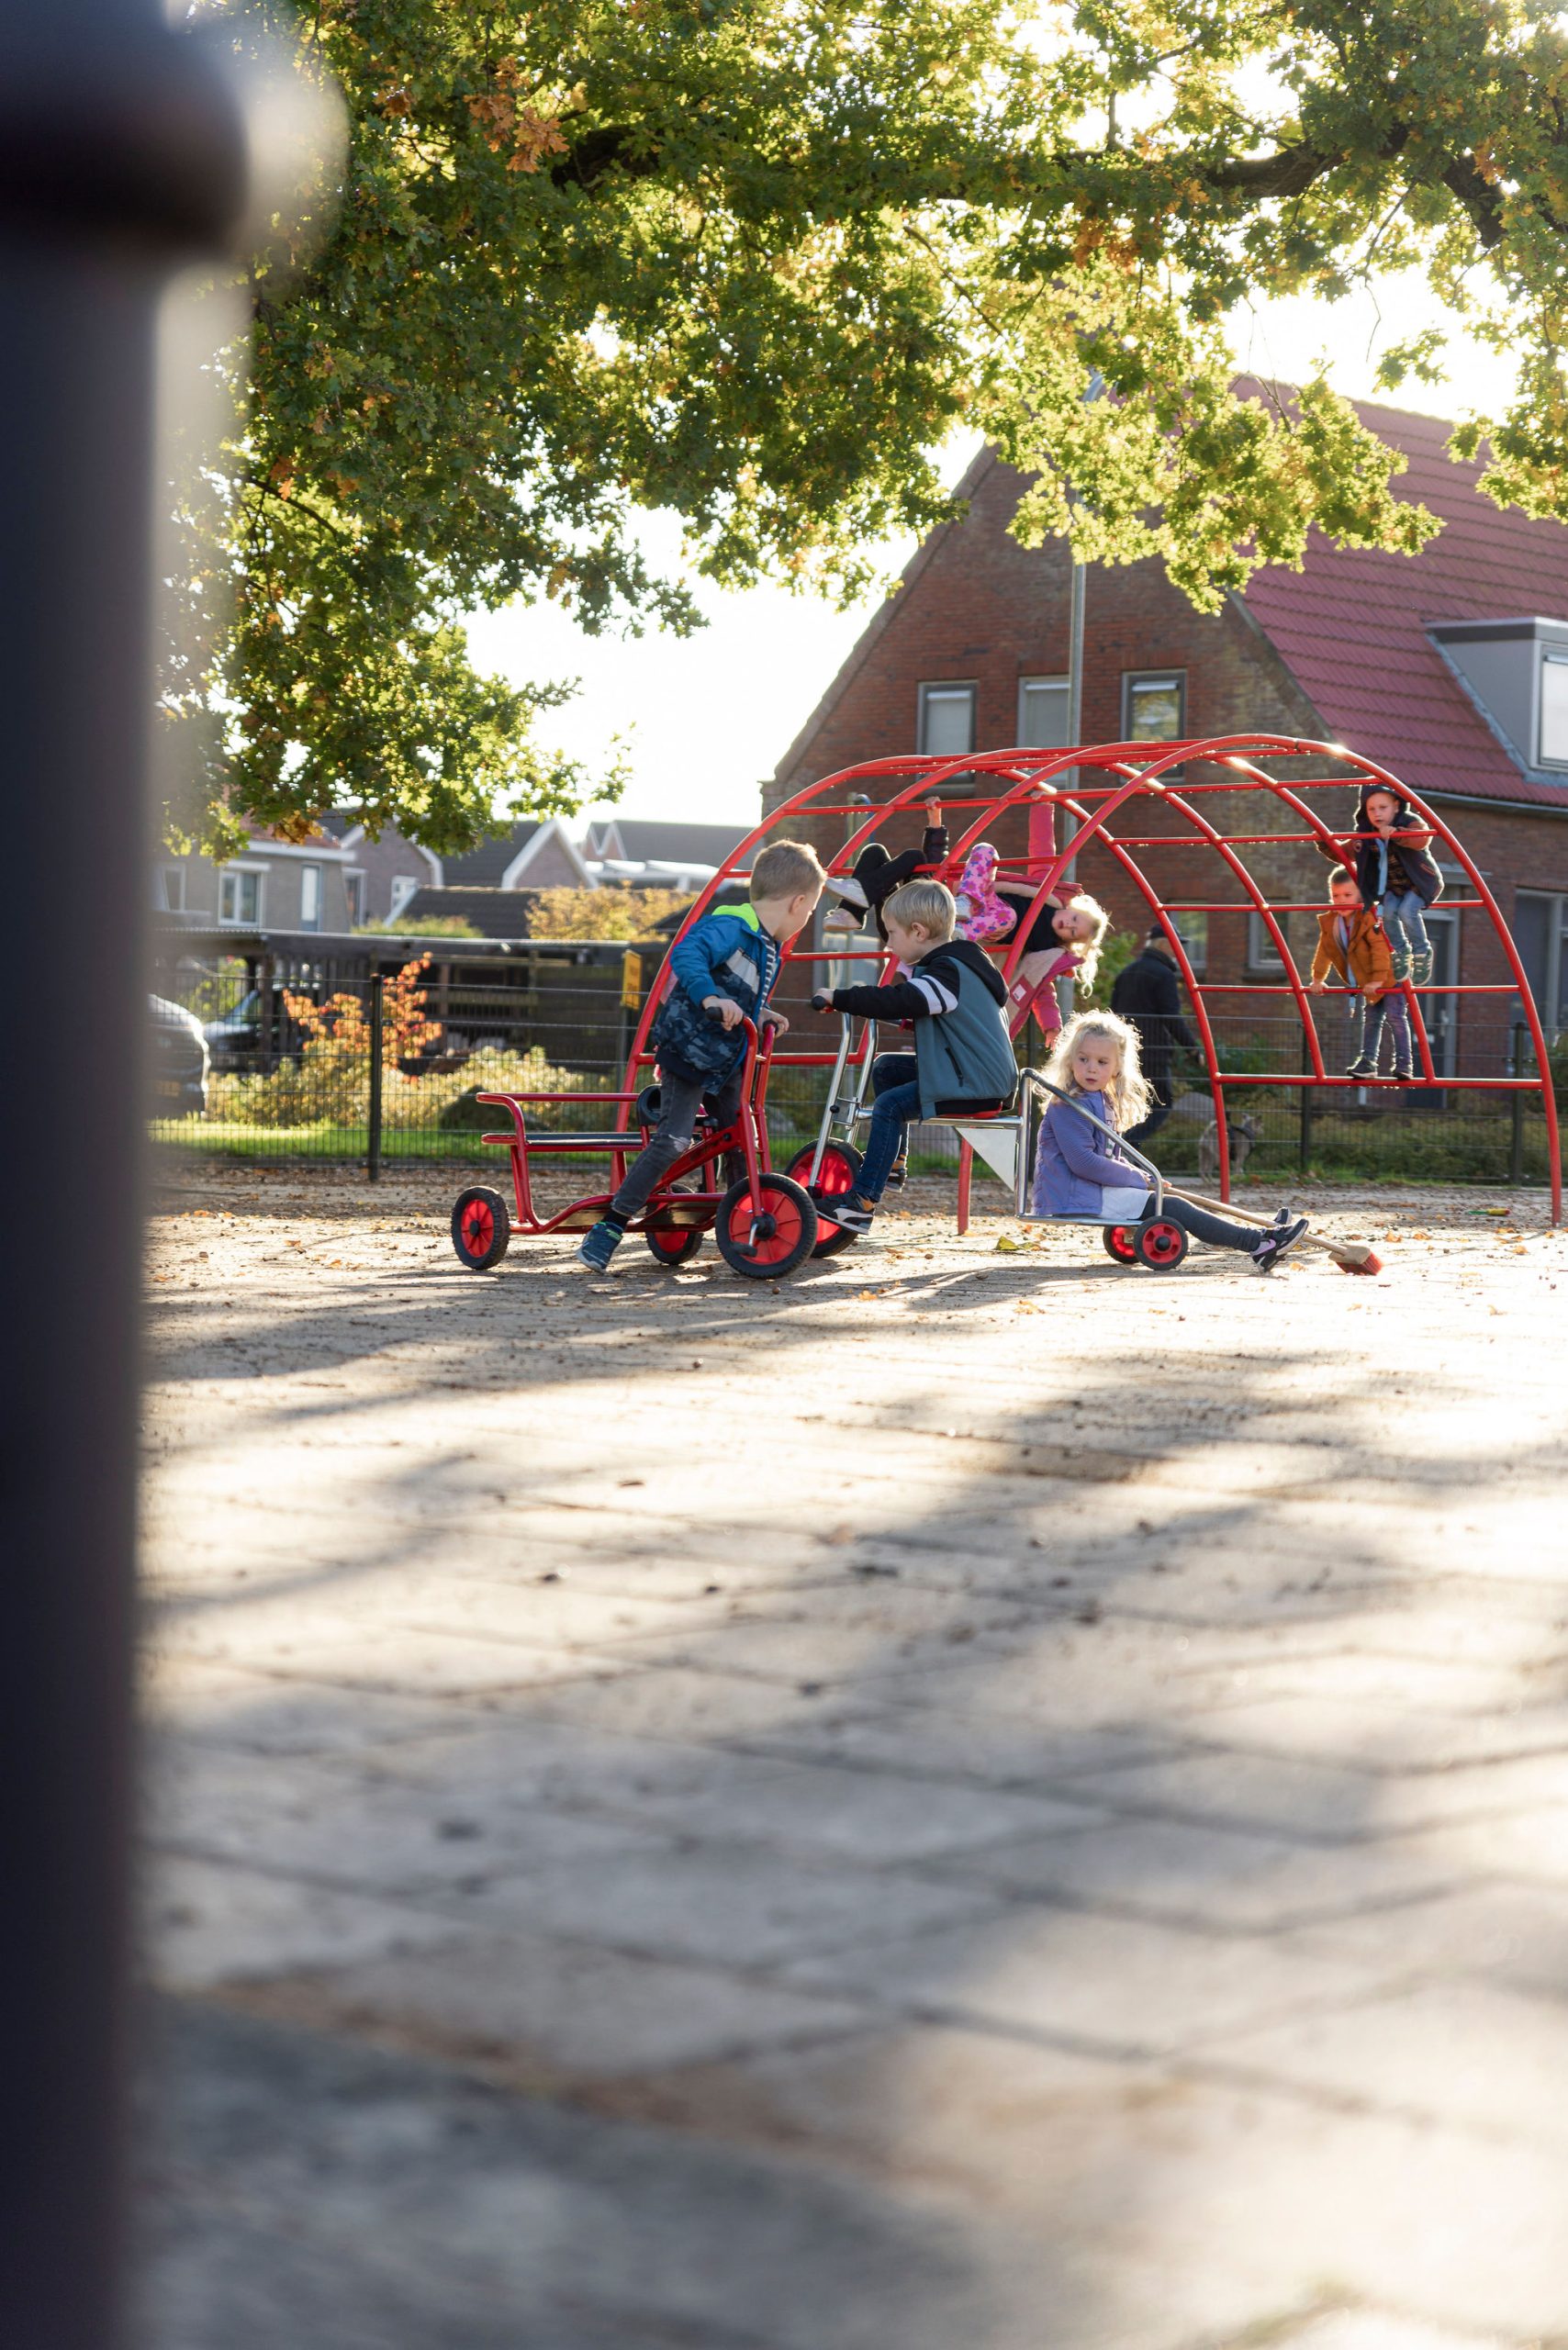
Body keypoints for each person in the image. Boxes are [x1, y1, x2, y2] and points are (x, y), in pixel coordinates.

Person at [577, 839, 826, 1270]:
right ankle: (609, 1227)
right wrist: (709, 997)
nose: (805, 919)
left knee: (741, 1136)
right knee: (673, 1139)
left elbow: (739, 993)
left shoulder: (766, 945)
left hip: (726, 1059)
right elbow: (687, 953)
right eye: (810, 911)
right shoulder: (731, 926)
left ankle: (745, 1219)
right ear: (798, 902)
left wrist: (761, 1012)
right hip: (689, 1052)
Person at [809, 877, 1017, 1232]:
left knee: (890, 1106)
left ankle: (860, 1203)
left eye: (892, 933)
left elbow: (903, 999)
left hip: (975, 1082)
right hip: (973, 1073)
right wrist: (883, 1011)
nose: (888, 943)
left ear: (918, 931)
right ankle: (893, 1162)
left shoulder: (947, 970)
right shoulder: (958, 966)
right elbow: (921, 1010)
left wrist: (841, 997)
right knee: (887, 1068)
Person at [1032, 1010, 1308, 1273]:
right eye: (1083, 1059)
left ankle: (1266, 1232)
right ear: (1070, 1060)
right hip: (1073, 1194)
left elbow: (1108, 1155)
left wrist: (1141, 1175)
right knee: (1173, 1207)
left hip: (1089, 1190)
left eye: (1102, 1062)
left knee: (1169, 1200)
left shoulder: (1099, 1100)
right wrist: (1138, 1178)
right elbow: (1084, 1162)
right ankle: (1259, 1244)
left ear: (1116, 1068)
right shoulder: (1069, 1105)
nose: (1091, 1068)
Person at [1317, 783, 1443, 987]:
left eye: (1383, 808)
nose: (1377, 814)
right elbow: (1343, 854)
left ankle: (1422, 952)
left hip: (1419, 884)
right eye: (1371, 809)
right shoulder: (1366, 835)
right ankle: (1401, 951)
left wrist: (1398, 834)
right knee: (1388, 914)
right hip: (1392, 887)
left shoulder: (1409, 822)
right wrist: (1324, 842)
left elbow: (1421, 839)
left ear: (1396, 806)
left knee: (1407, 911)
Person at [1308, 866, 1411, 1080]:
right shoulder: (1331, 922)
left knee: (1395, 1017)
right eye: (1335, 895)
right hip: (1369, 980)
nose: (1341, 901)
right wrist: (1318, 979)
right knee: (1372, 1019)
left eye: (1347, 895)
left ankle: (1404, 1063)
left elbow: (1381, 949)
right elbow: (1324, 950)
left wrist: (1377, 980)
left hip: (1390, 975)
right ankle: (1368, 1062)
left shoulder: (1369, 918)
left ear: (1361, 895)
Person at [1109, 923, 1199, 1146]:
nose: (1179, 951)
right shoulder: (1163, 974)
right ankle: (1127, 1146)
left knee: (1129, 1104)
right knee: (1161, 1104)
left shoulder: (1127, 972)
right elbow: (1171, 1016)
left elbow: (1113, 1012)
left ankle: (1120, 1147)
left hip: (1124, 1051)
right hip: (1154, 1052)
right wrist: (1192, 1048)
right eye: (1176, 945)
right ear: (1163, 944)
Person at [824, 799, 949, 944]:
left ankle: (862, 891)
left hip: (914, 925)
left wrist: (935, 819)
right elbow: (935, 855)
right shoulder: (937, 883)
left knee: (915, 856)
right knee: (874, 851)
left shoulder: (941, 899)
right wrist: (934, 819)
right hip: (893, 921)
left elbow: (934, 859)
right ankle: (851, 913)